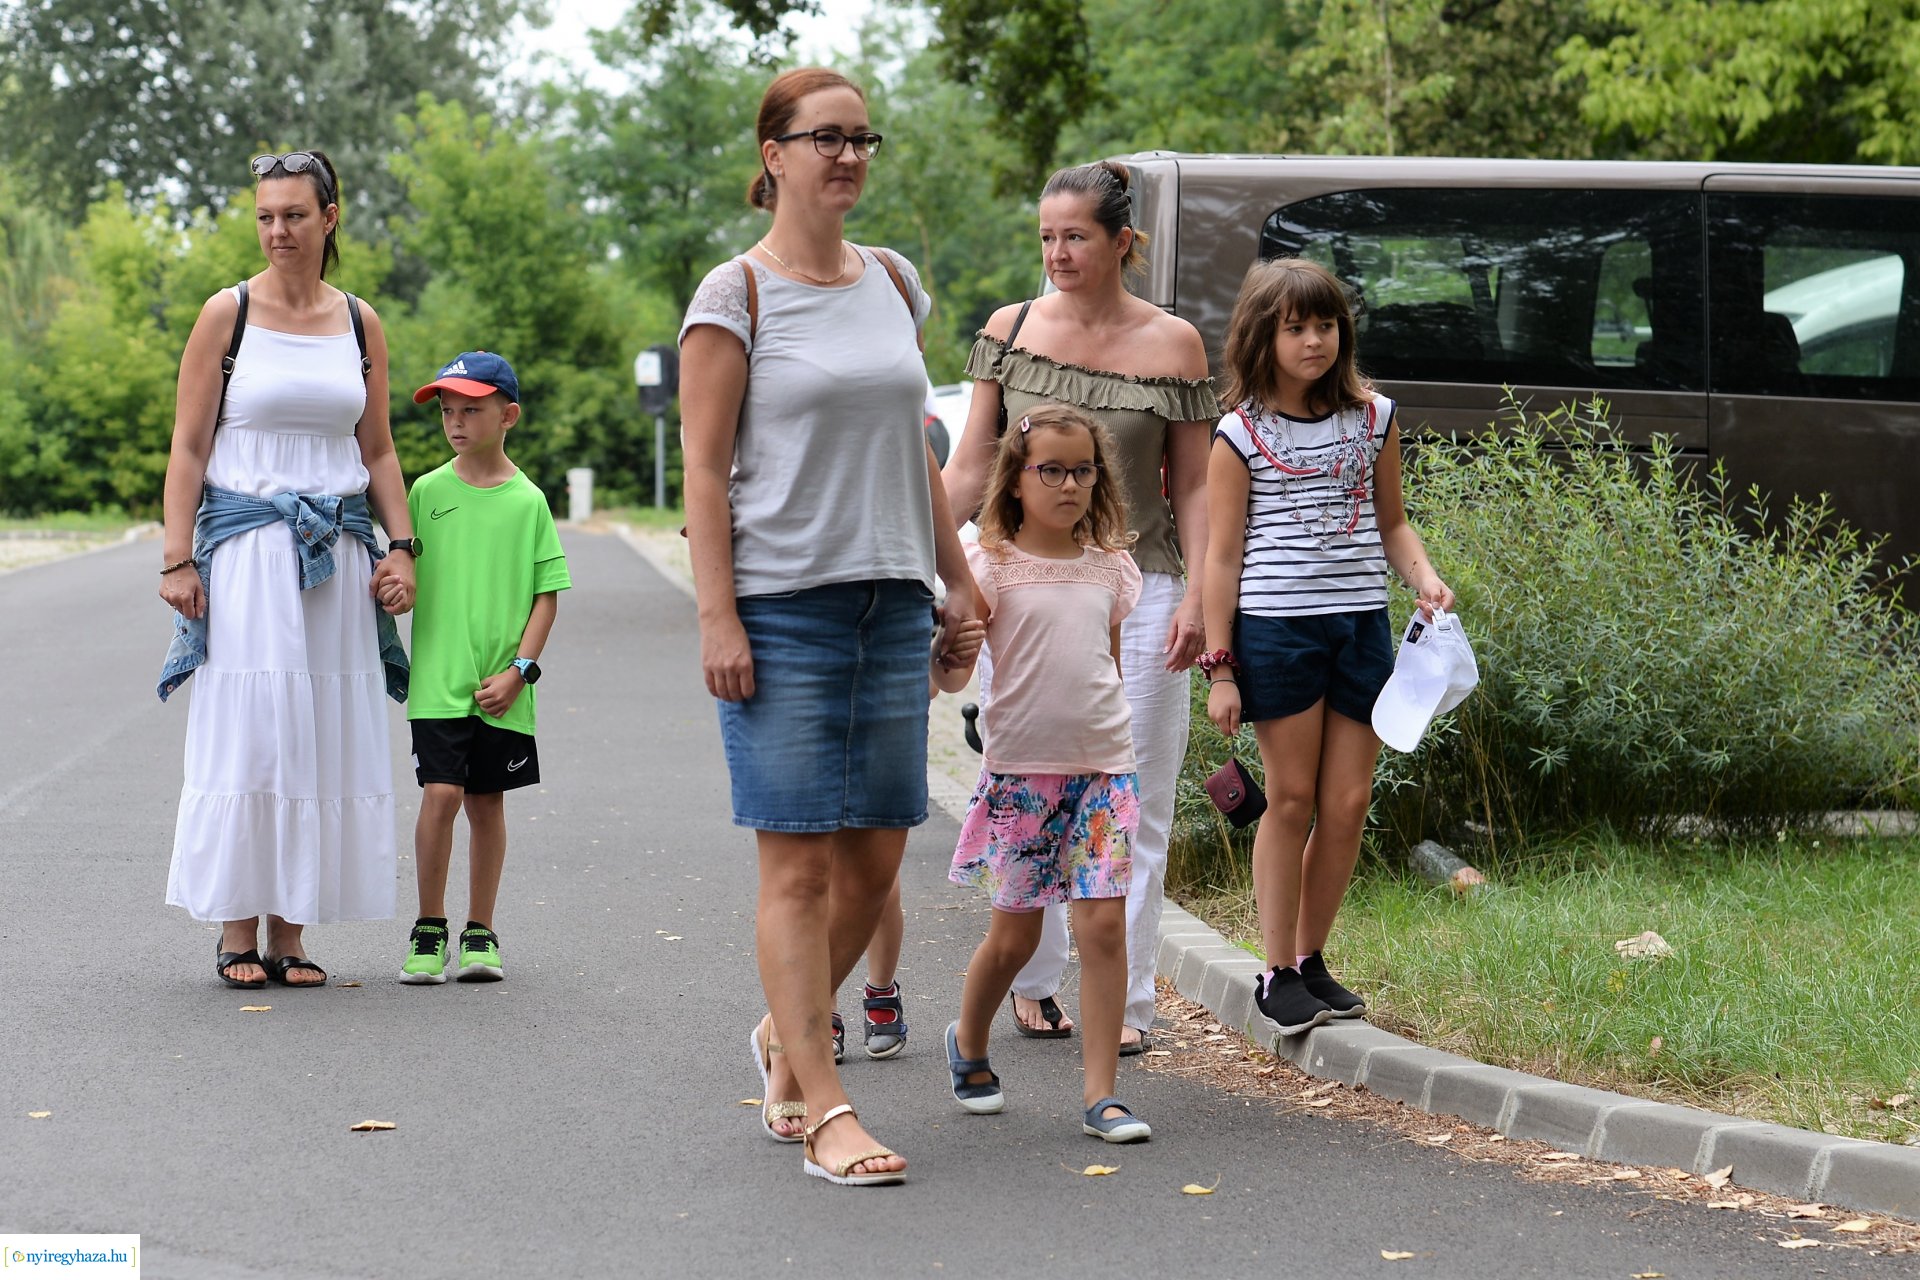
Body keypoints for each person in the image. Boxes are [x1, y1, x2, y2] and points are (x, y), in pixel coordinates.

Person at [677, 66, 977, 1187]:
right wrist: (719, 615)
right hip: (784, 608)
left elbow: (915, 448)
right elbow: (705, 475)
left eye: (863, 138)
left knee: (880, 855)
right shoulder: (735, 295)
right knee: (797, 869)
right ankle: (822, 1098)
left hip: (894, 602)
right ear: (773, 154)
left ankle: (782, 1031)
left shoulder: (894, 284)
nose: (848, 156)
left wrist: (957, 580)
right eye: (825, 138)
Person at [944, 160, 1215, 1052]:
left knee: (1135, 795)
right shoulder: (1011, 330)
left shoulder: (1174, 343)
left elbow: (1200, 488)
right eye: (1046, 237)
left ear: (1122, 243)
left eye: (1076, 237)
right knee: (1032, 783)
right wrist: (914, 547)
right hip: (1020, 589)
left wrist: (1208, 599)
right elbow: (971, 470)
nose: (1057, 254)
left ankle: (1127, 1003)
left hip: (1140, 586)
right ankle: (1034, 980)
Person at [157, 149, 415, 988]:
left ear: (330, 217)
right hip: (247, 556)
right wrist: (176, 557)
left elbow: (375, 448)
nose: (278, 231)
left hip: (336, 559)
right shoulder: (225, 314)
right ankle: (237, 929)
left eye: (295, 215)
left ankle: (291, 932)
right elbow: (189, 446)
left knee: (323, 735)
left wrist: (402, 545)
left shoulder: (359, 323)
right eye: (266, 216)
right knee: (255, 732)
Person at [1200, 258, 1454, 1033]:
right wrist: (1220, 667)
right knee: (1293, 799)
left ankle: (1311, 961)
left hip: (1360, 627)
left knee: (1348, 803)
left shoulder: (1374, 416)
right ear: (1262, 337)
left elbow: (1392, 523)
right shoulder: (1240, 434)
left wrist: (1425, 578)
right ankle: (1275, 972)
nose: (1314, 341)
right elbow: (1222, 555)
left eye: (1326, 324)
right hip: (1276, 633)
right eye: (1295, 328)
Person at [942, 404, 1152, 1143]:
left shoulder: (1112, 566)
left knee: (1103, 930)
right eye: (1052, 470)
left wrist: (1115, 742)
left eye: (1083, 470)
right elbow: (953, 675)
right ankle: (968, 1040)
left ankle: (1102, 1097)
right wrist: (945, 650)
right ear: (1017, 479)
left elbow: (1111, 666)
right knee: (1015, 939)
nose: (1069, 485)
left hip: (1105, 773)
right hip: (1023, 778)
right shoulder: (988, 563)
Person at [397, 351, 570, 985]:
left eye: (471, 409)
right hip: (437, 682)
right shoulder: (426, 492)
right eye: (447, 411)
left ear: (509, 415)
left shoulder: (529, 502)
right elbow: (402, 572)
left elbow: (546, 594)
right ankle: (428, 926)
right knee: (440, 794)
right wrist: (395, 587)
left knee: (486, 804)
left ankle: (480, 931)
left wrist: (521, 669)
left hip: (503, 687)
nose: (456, 422)